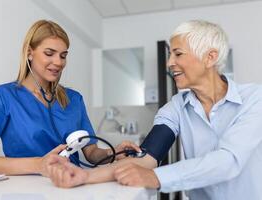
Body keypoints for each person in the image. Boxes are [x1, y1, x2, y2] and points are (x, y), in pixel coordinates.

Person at [44, 20, 262, 200]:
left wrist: (156, 178)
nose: (169, 63)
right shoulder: (176, 107)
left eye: (178, 54)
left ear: (210, 57)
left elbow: (228, 161)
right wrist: (85, 176)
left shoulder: (254, 99)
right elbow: (147, 157)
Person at [0, 19, 139, 176]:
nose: (58, 62)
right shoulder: (2, 97)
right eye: (49, 53)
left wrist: (113, 153)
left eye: (63, 56)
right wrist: (39, 164)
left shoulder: (74, 99)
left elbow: (91, 153)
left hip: (73, 185)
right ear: (30, 53)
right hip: (26, 191)